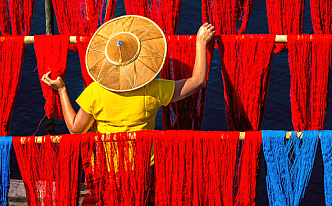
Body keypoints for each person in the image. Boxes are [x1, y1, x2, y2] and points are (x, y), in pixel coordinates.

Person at [40, 22, 216, 133]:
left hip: (107, 168)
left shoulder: (94, 92)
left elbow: (75, 129)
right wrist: (201, 43)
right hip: (144, 165)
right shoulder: (154, 89)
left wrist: (62, 90)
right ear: (142, 60)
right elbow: (198, 81)